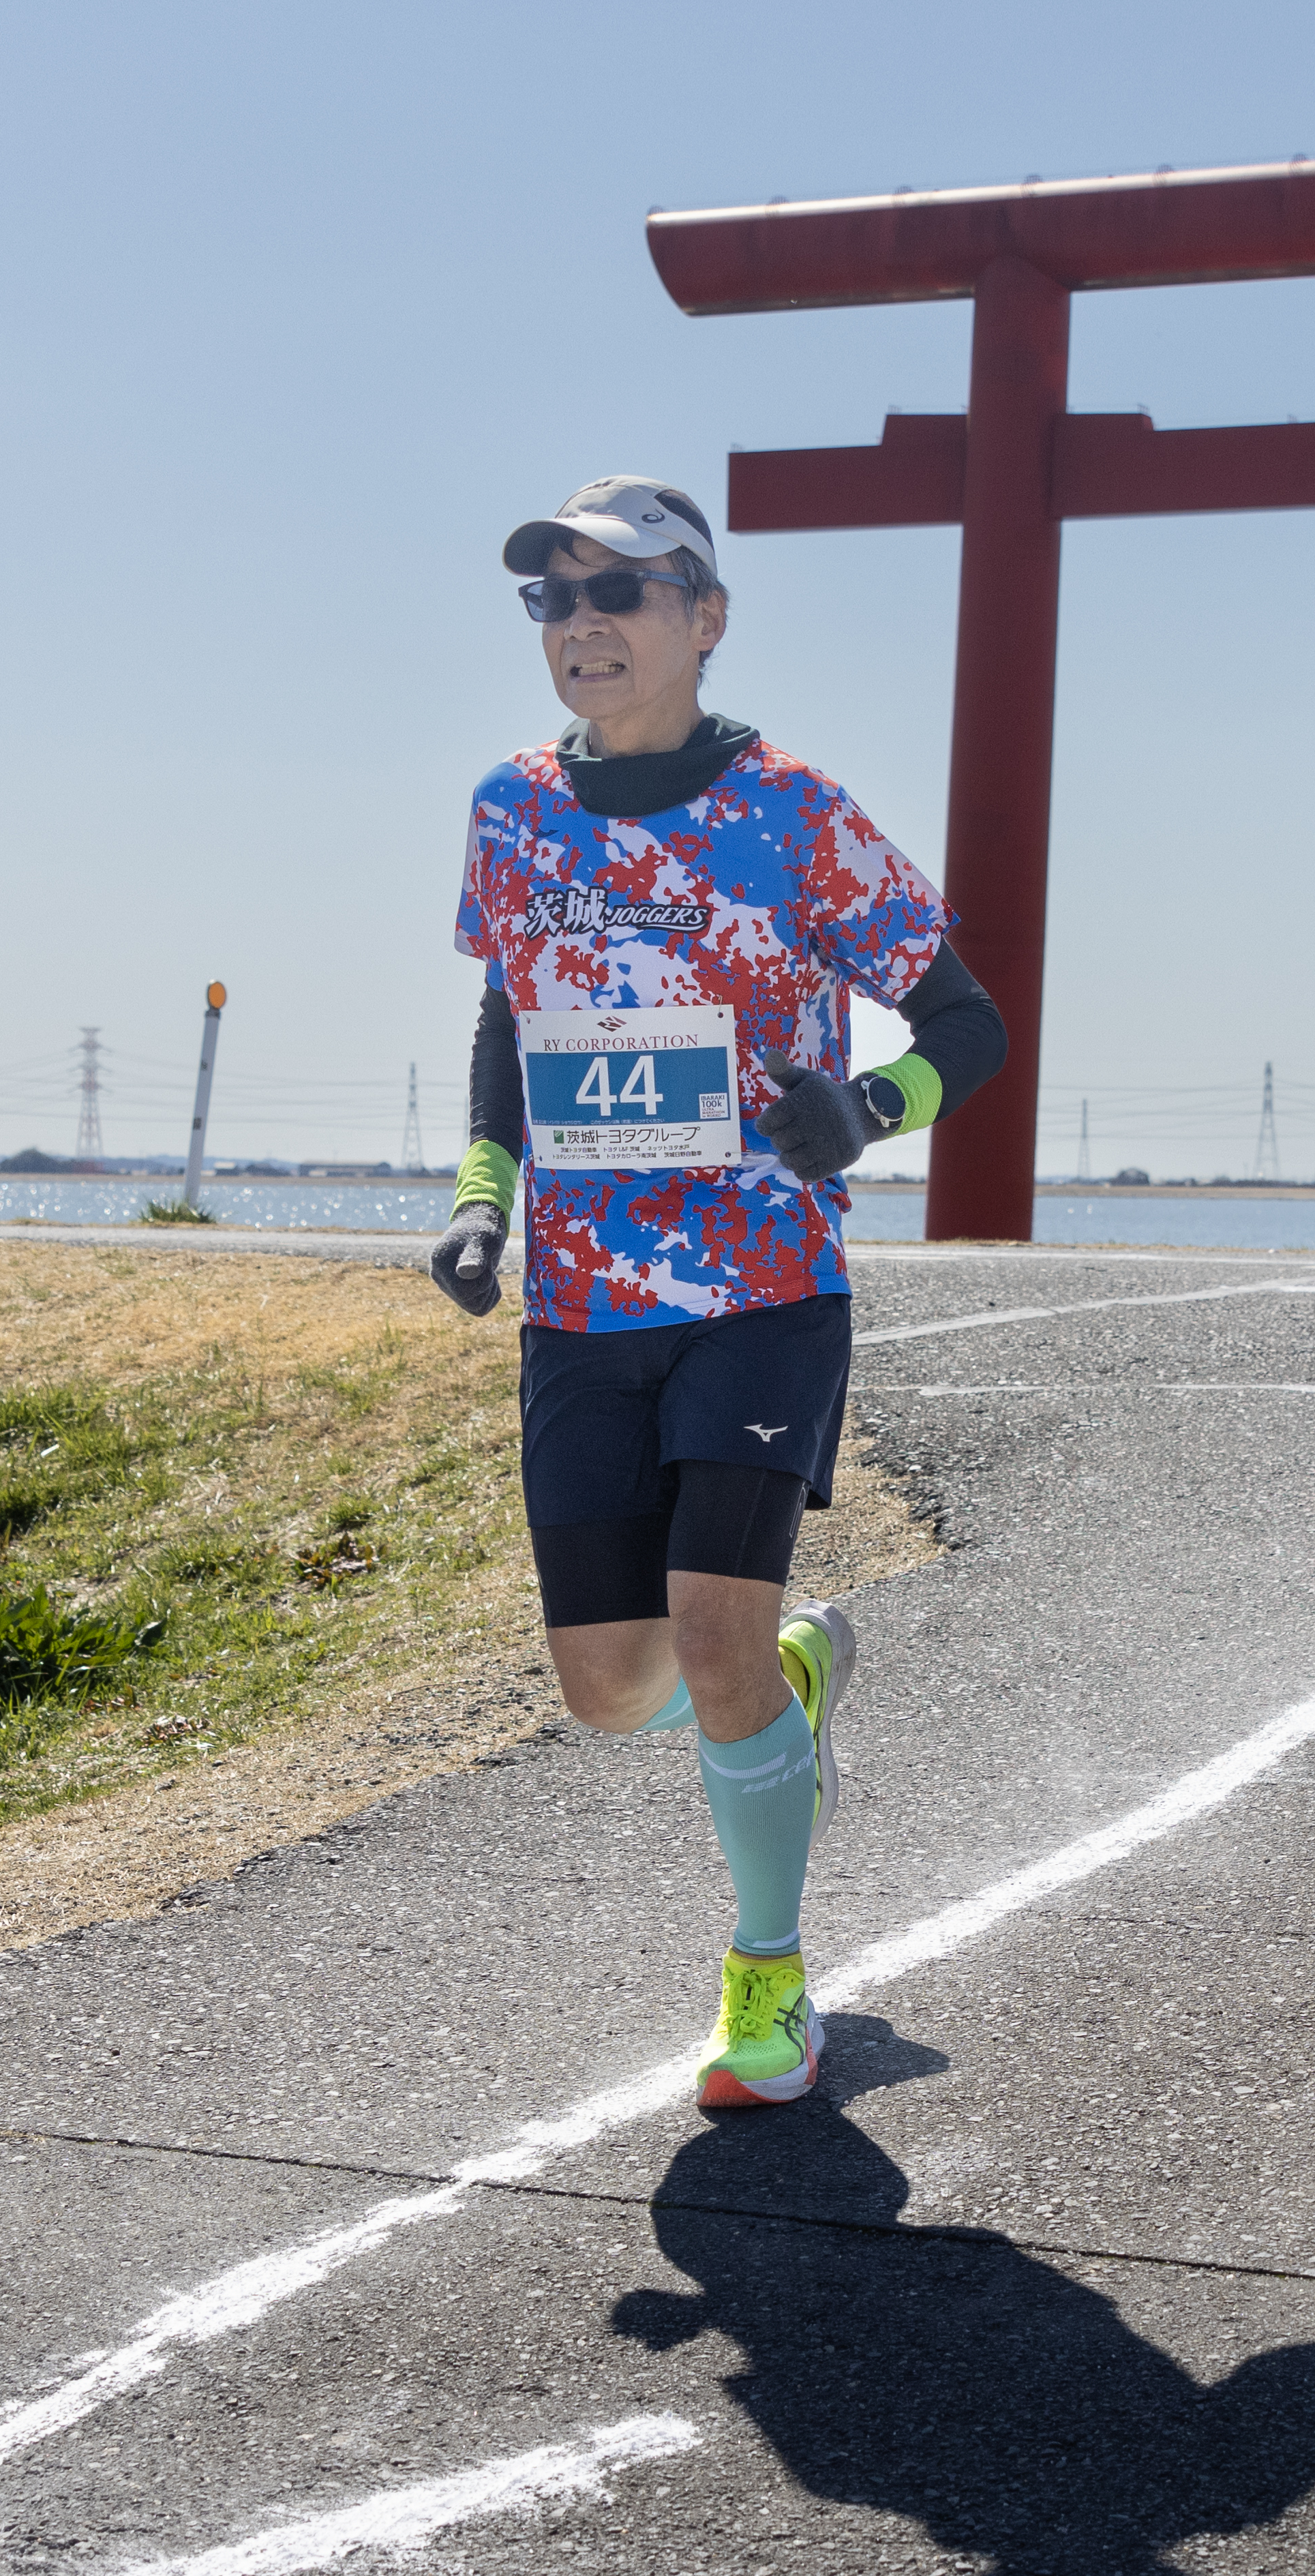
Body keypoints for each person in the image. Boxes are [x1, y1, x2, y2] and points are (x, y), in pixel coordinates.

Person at [429, 475, 1006, 2108]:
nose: (584, 621)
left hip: (761, 1284)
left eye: (623, 590)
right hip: (581, 1303)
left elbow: (967, 1024)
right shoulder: (511, 808)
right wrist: (484, 1202)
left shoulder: (798, 813)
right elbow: (509, 1025)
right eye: (554, 597)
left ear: (706, 617)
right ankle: (789, 1677)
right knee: (613, 1691)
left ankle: (770, 1981)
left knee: (708, 1632)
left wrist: (870, 1110)